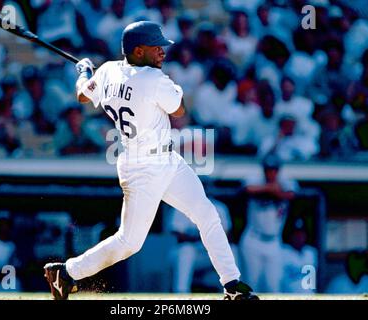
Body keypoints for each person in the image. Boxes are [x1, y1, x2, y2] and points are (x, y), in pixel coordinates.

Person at [44, 21, 258, 300]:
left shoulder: (109, 70)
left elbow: (82, 94)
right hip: (143, 169)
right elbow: (179, 110)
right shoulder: (153, 79)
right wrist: (165, 84)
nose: (162, 52)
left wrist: (84, 72)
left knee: (207, 214)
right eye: (156, 47)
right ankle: (68, 272)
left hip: (166, 161)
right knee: (129, 242)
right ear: (137, 50)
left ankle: (231, 284)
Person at [239, 154, 298, 292]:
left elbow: (291, 194)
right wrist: (271, 189)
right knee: (251, 285)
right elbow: (247, 188)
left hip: (274, 242)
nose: (271, 172)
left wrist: (276, 192)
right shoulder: (256, 178)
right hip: (253, 240)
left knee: (274, 286)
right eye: (268, 169)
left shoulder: (286, 181)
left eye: (273, 169)